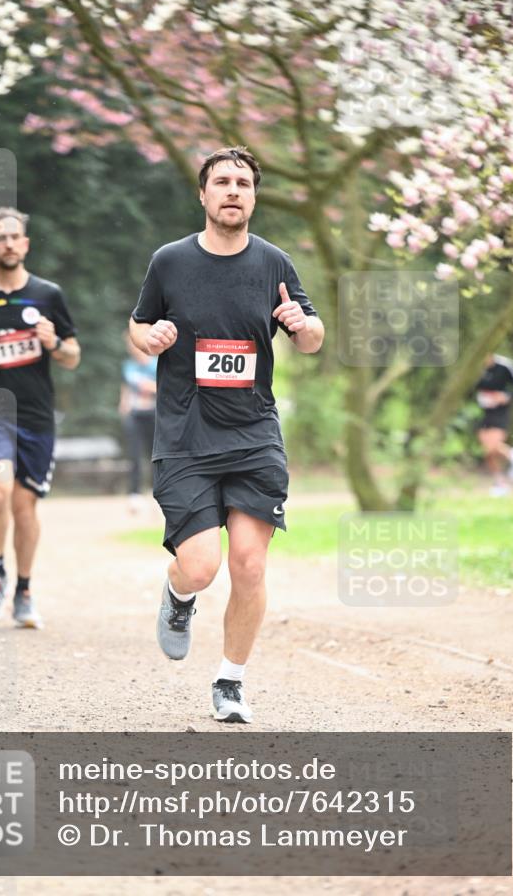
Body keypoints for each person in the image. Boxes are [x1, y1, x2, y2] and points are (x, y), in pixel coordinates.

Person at [129, 145, 324, 723]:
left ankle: (230, 682)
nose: (233, 190)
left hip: (253, 433)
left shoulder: (274, 263)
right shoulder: (170, 261)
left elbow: (312, 337)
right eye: (222, 181)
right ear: (203, 194)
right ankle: (179, 595)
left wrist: (302, 325)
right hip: (185, 435)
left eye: (243, 182)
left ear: (254, 196)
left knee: (249, 564)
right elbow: (137, 326)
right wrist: (150, 338)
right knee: (199, 566)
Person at [0, 207, 80, 628]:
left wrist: (54, 343)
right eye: (1, 238)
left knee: (24, 507)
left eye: (15, 237)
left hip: (36, 416)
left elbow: (73, 356)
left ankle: (23, 591)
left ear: (25, 244)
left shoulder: (48, 295)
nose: (9, 243)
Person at [475, 353, 513, 496]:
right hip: (484, 412)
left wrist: (506, 397)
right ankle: (501, 483)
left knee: (492, 447)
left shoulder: (504, 365)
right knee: (487, 451)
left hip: (500, 413)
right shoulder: (475, 367)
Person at [119, 333, 157, 512]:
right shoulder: (129, 366)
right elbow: (126, 387)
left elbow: (166, 388)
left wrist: (152, 387)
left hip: (154, 414)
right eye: (129, 345)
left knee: (154, 455)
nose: (132, 348)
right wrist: (123, 405)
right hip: (135, 415)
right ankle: (134, 494)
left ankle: (157, 491)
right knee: (134, 455)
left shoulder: (156, 364)